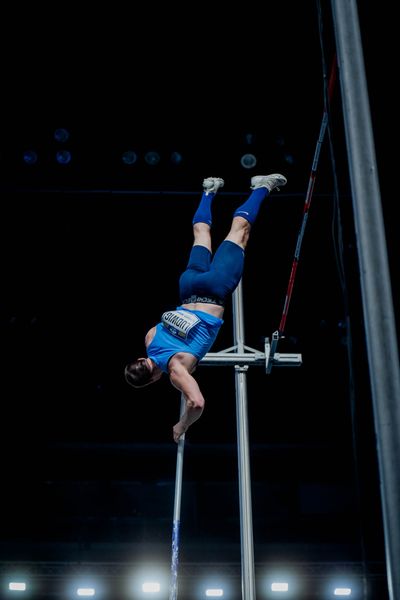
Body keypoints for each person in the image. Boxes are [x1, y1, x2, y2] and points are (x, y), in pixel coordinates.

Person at [125, 173, 287, 442]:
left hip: (214, 289)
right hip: (188, 287)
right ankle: (209, 191)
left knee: (240, 231)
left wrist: (182, 426)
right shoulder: (149, 338)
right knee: (201, 234)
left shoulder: (175, 369)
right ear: (141, 360)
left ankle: (262, 187)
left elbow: (196, 402)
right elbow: (171, 331)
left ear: (153, 380)